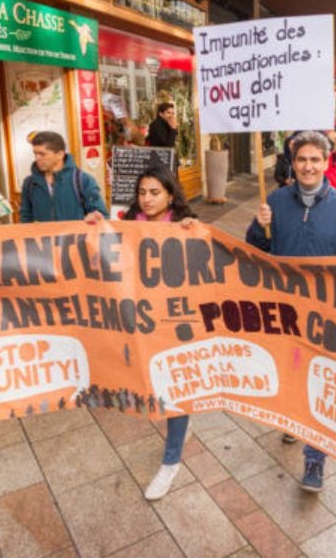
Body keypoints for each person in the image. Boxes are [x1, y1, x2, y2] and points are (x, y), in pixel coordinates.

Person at [246, 130, 336, 492]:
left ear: (326, 163)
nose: (308, 166)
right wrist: (259, 224)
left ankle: (315, 460)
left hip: (326, 315)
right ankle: (293, 419)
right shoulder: (276, 201)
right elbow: (256, 250)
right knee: (290, 376)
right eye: (302, 160)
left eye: (315, 159)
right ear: (293, 164)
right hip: (284, 312)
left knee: (319, 387)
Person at [121, 165, 200, 500]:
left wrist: (196, 235)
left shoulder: (186, 226)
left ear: (171, 194)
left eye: (155, 192)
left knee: (174, 386)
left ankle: (171, 461)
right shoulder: (125, 225)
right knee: (153, 382)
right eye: (142, 192)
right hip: (139, 320)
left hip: (175, 321)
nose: (147, 199)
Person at [19, 131, 108, 223]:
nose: (37, 158)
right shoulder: (30, 183)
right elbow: (25, 219)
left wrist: (95, 217)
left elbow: (101, 215)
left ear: (60, 154)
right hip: (43, 237)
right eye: (35, 154)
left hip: (76, 236)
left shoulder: (83, 180)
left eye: (42, 154)